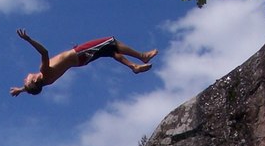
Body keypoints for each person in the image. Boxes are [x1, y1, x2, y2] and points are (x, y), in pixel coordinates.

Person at [10, 29, 158, 97]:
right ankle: (142, 56)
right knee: (111, 41)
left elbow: (33, 88)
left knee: (111, 51)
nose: (25, 79)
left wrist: (21, 90)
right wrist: (29, 40)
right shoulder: (44, 71)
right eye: (27, 81)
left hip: (81, 60)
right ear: (35, 80)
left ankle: (134, 66)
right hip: (80, 54)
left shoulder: (46, 81)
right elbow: (44, 52)